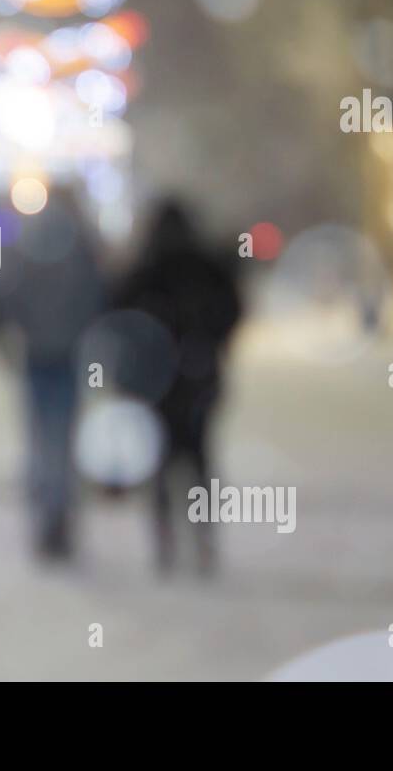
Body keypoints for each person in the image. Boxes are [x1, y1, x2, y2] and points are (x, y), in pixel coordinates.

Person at [115, 200, 242, 575]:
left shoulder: (144, 271)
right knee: (199, 462)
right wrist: (212, 344)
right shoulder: (207, 267)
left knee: (158, 465)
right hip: (198, 379)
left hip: (155, 386)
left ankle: (165, 541)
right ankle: (203, 539)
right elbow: (232, 310)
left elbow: (119, 317)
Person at [7, 189, 105, 560]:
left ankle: (45, 513)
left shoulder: (27, 244)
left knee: (38, 433)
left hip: (37, 351)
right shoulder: (82, 246)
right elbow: (97, 295)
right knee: (62, 435)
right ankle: (58, 513)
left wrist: (22, 328)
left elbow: (9, 292)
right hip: (70, 352)